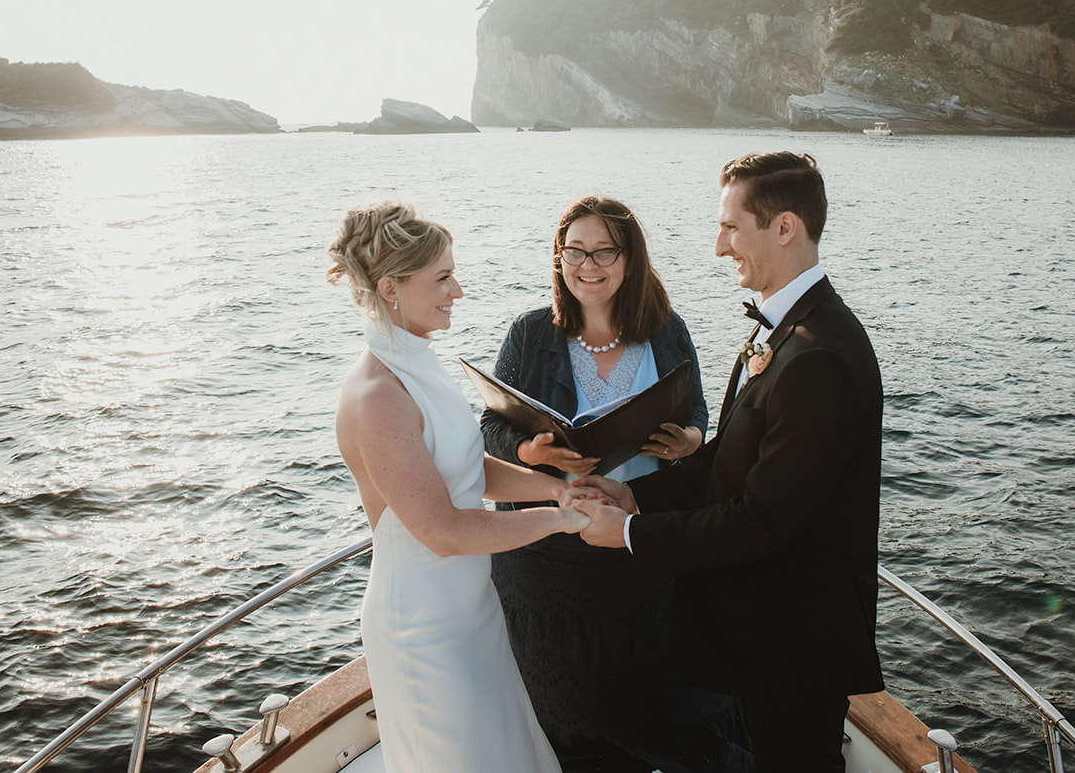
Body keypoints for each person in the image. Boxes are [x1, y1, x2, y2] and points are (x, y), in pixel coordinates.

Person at [574, 153, 885, 773]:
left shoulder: (819, 355)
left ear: (785, 227)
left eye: (731, 227)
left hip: (794, 640)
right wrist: (637, 496)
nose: (719, 246)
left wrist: (631, 534)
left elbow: (765, 520)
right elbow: (741, 454)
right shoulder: (792, 329)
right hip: (768, 631)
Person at [479, 196, 752, 773]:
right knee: (570, 711)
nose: (589, 264)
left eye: (604, 250)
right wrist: (531, 451)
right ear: (559, 257)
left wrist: (691, 441)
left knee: (660, 698)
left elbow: (697, 408)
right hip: (551, 559)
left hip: (641, 545)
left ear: (629, 258)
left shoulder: (666, 330)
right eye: (574, 250)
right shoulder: (530, 334)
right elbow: (490, 427)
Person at [328, 200, 592, 773]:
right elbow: (443, 531)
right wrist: (564, 521)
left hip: (471, 610)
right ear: (392, 287)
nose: (459, 291)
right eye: (443, 278)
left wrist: (558, 490)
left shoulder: (422, 365)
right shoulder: (377, 395)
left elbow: (469, 466)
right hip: (422, 629)